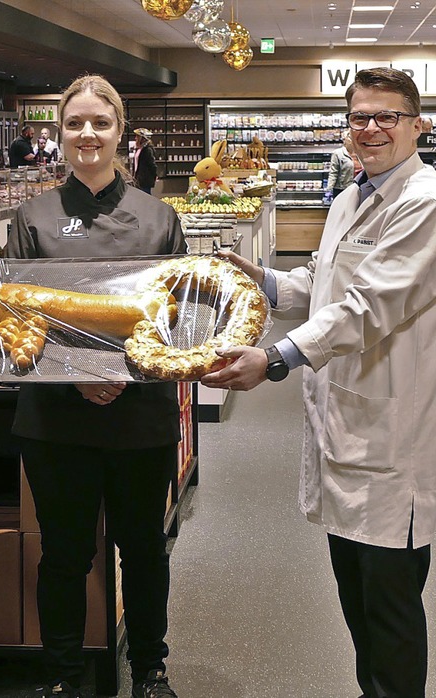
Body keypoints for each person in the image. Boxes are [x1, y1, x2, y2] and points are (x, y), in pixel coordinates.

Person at [201, 67, 436, 698]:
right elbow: (327, 284)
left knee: (389, 622)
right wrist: (262, 279)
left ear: (417, 125)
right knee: (359, 610)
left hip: (391, 447)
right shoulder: (349, 199)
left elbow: (369, 306)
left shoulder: (425, 202)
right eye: (359, 116)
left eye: (387, 116)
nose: (371, 128)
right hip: (345, 438)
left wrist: (275, 358)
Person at [7, 74, 185, 698]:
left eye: (99, 124)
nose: (87, 134)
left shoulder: (160, 218)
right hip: (59, 418)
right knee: (64, 555)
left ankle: (151, 670)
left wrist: (118, 378)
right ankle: (60, 674)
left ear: (120, 133)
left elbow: (176, 321)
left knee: (144, 551)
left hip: (141, 414)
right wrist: (81, 378)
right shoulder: (30, 218)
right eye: (74, 123)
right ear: (60, 133)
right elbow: (17, 317)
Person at [327, 132, 356, 200]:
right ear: (344, 140)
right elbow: (333, 173)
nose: (351, 139)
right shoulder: (338, 153)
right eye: (349, 137)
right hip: (342, 189)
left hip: (358, 188)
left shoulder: (360, 152)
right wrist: (329, 189)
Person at [132, 128, 157, 195]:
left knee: (145, 197)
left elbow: (152, 165)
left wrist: (154, 176)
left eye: (137, 136)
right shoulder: (140, 148)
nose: (135, 138)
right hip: (139, 179)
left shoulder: (147, 149)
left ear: (142, 138)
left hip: (144, 180)